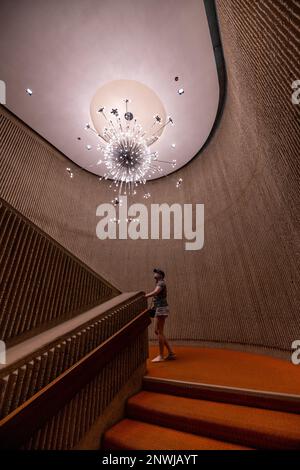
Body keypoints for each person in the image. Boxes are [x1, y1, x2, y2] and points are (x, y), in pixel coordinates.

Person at [145, 268, 176, 362]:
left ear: (161, 275)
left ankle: (161, 356)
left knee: (159, 331)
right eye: (155, 272)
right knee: (157, 331)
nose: (155, 273)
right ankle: (171, 353)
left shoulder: (161, 283)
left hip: (161, 309)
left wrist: (145, 296)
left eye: (157, 272)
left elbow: (155, 292)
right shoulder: (158, 283)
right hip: (159, 308)